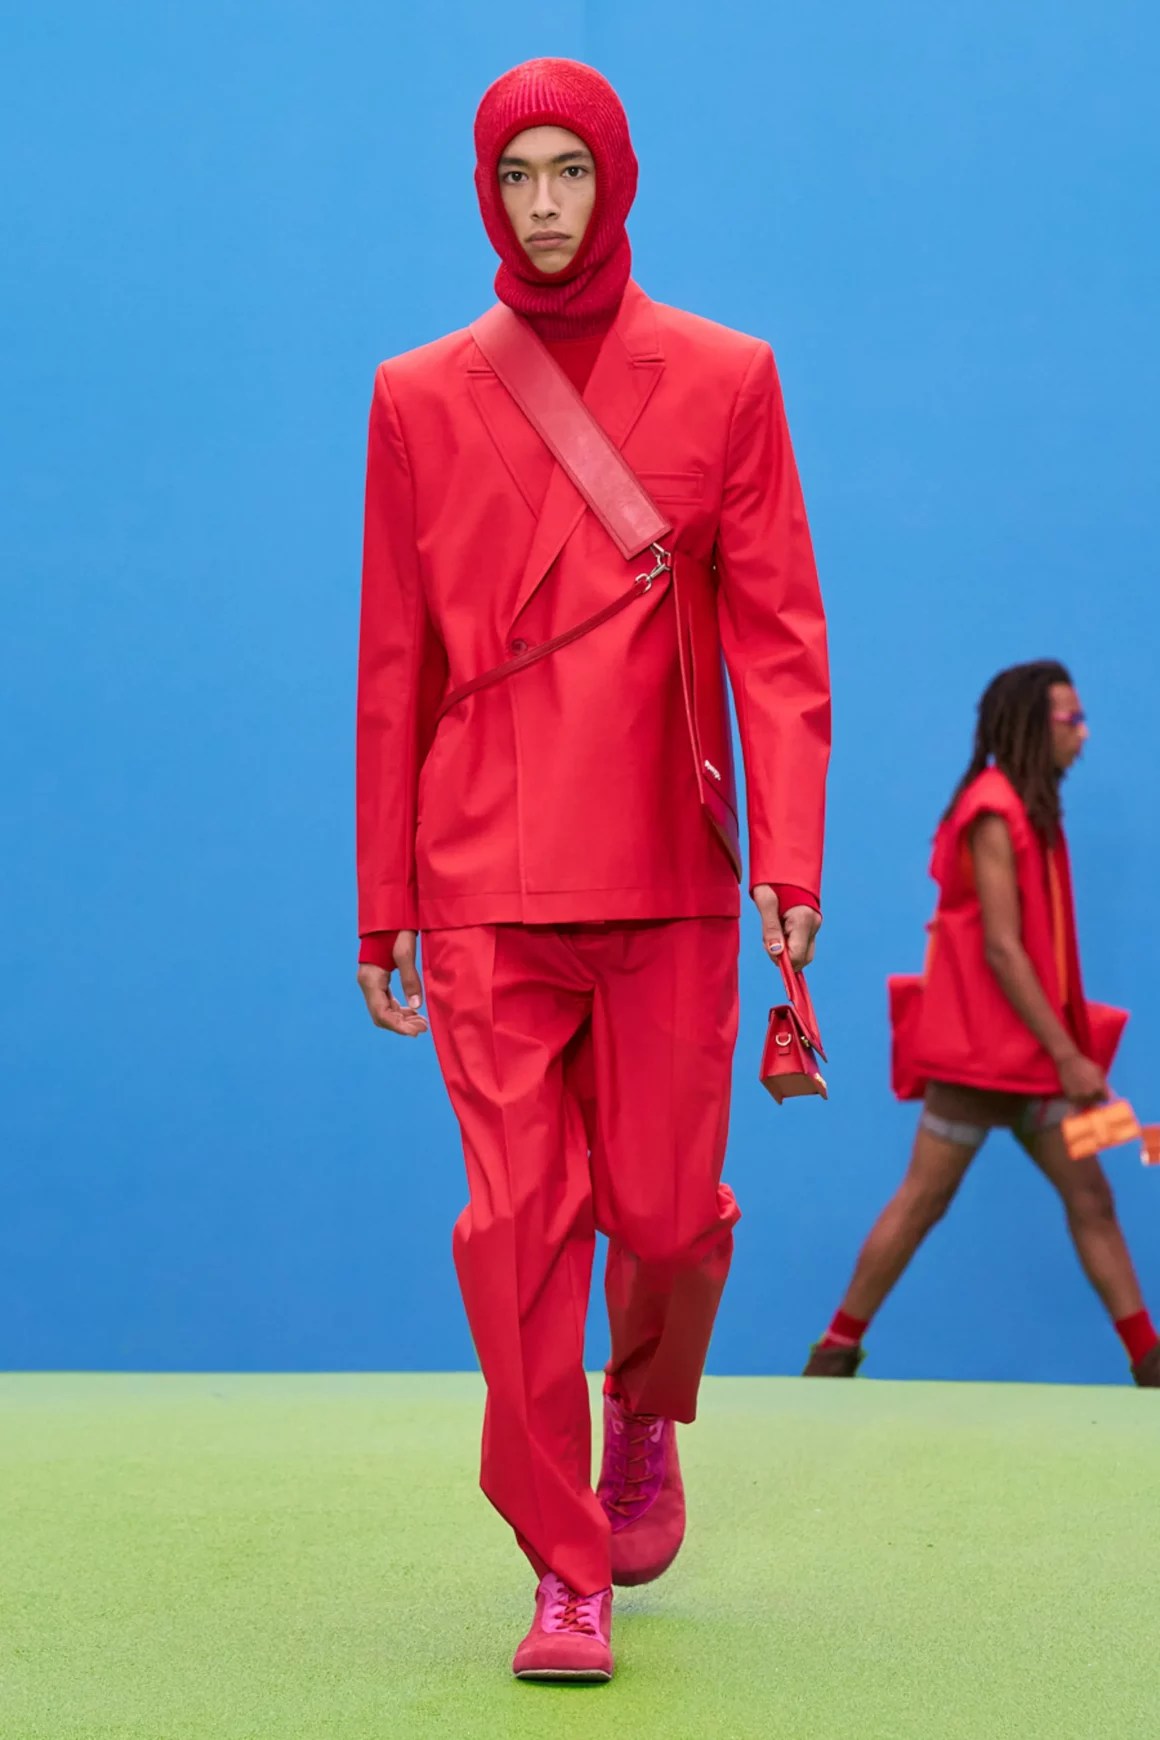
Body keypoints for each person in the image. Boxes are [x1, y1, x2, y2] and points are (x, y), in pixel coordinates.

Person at [356, 58, 830, 1681]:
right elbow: (395, 659)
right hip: (483, 872)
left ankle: (645, 1410)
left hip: (668, 866)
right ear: (484, 194)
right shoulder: (418, 396)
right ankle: (567, 1567)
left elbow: (778, 635)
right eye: (517, 175)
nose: (544, 204)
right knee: (517, 1232)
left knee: (667, 1221)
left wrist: (791, 856)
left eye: (570, 170)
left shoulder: (727, 377)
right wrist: (383, 895)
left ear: (616, 180)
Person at [804, 661, 1159, 1387]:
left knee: (1076, 1197)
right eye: (1071, 719)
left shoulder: (1026, 809)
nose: (1084, 734)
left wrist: (1063, 1057)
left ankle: (834, 1353)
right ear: (1032, 724)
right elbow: (1002, 946)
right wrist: (1069, 1057)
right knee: (934, 1199)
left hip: (1025, 1063)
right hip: (997, 1062)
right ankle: (833, 1353)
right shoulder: (995, 809)